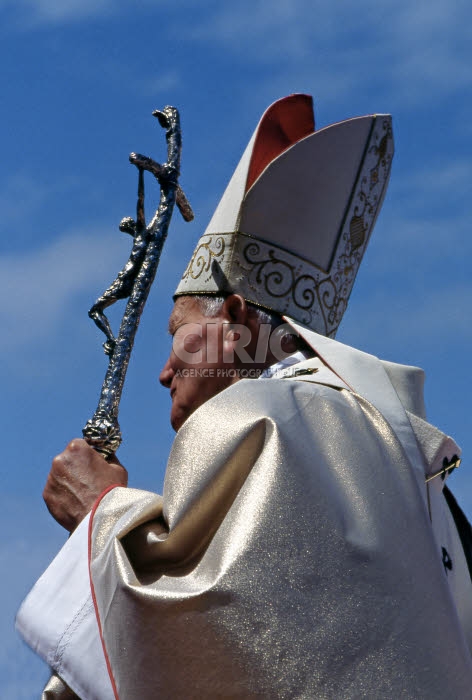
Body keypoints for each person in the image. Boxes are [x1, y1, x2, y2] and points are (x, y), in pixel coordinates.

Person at [18, 95, 472, 699]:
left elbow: (202, 626)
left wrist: (101, 516)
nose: (162, 372)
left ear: (233, 316)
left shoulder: (266, 416)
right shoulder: (413, 471)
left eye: (178, 335)